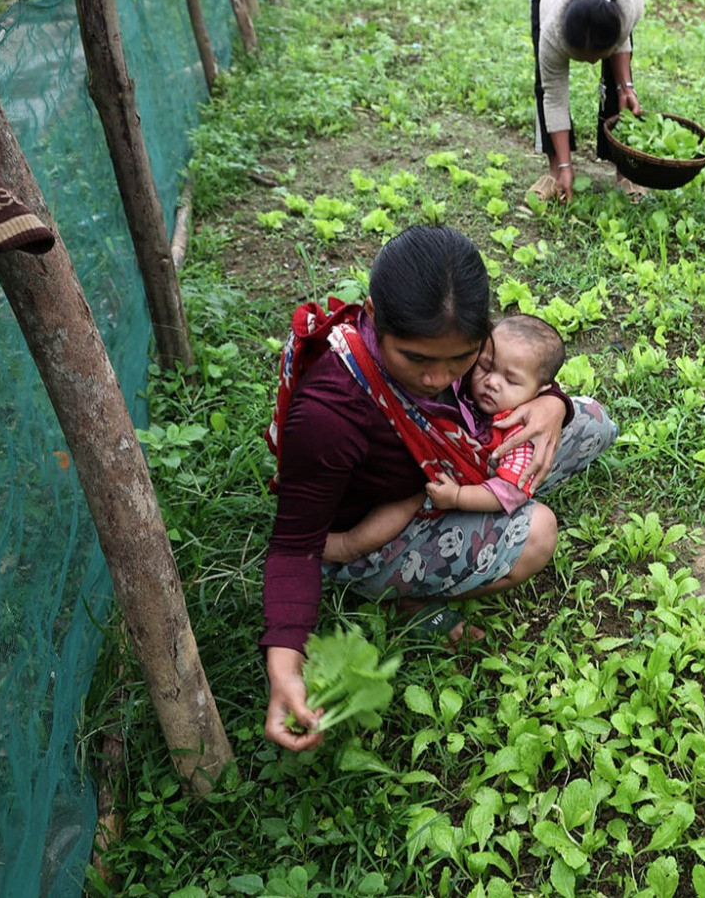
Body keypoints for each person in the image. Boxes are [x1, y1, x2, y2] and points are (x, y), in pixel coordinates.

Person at [261, 227, 617, 751]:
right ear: (375, 316)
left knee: (590, 422)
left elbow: (527, 382)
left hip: (447, 466)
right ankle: (410, 600)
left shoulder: (460, 354)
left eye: (462, 359)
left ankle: (491, 485)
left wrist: (552, 405)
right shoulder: (332, 412)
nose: (436, 378)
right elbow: (294, 545)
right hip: (372, 531)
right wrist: (285, 664)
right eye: (417, 359)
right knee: (537, 531)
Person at [527, 0, 647, 203]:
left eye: (599, 54)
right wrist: (569, 168)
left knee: (618, 89)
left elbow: (622, 43)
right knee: (544, 85)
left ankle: (624, 170)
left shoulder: (629, 3)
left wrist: (626, 87)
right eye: (585, 57)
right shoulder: (552, 30)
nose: (593, 63)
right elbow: (555, 97)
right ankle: (558, 170)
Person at [426, 313, 566, 514]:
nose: (492, 382)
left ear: (540, 391)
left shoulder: (524, 437)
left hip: (472, 493)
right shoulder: (464, 373)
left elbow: (508, 492)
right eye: (485, 366)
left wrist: (458, 497)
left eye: (511, 381)